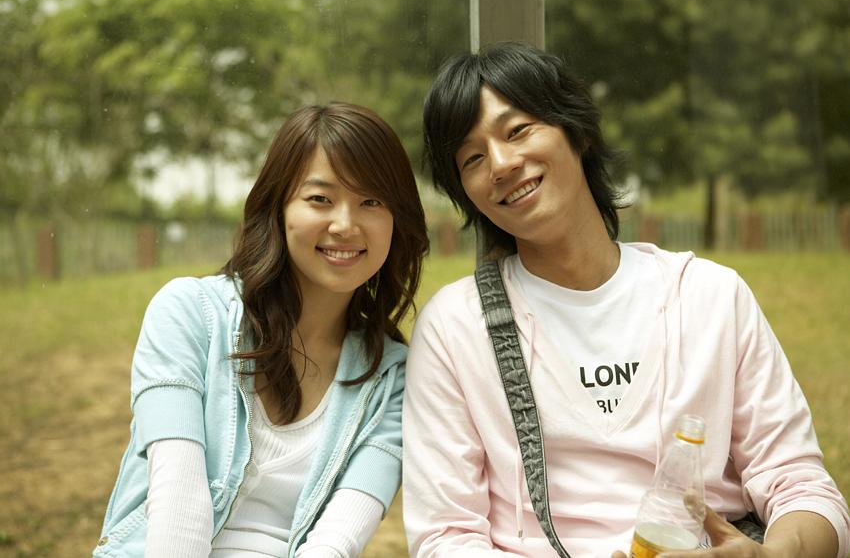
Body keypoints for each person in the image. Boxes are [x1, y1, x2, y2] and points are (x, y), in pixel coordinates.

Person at [402, 41, 849, 558]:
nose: (500, 164)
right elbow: (445, 538)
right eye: (473, 158)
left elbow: (802, 486)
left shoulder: (708, 296)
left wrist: (774, 554)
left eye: (518, 130)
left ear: (578, 132)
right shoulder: (456, 327)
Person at [94, 102, 428, 557]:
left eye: (371, 201)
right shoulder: (188, 314)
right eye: (320, 199)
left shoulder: (393, 378)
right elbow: (178, 509)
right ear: (279, 207)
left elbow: (337, 542)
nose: (345, 224)